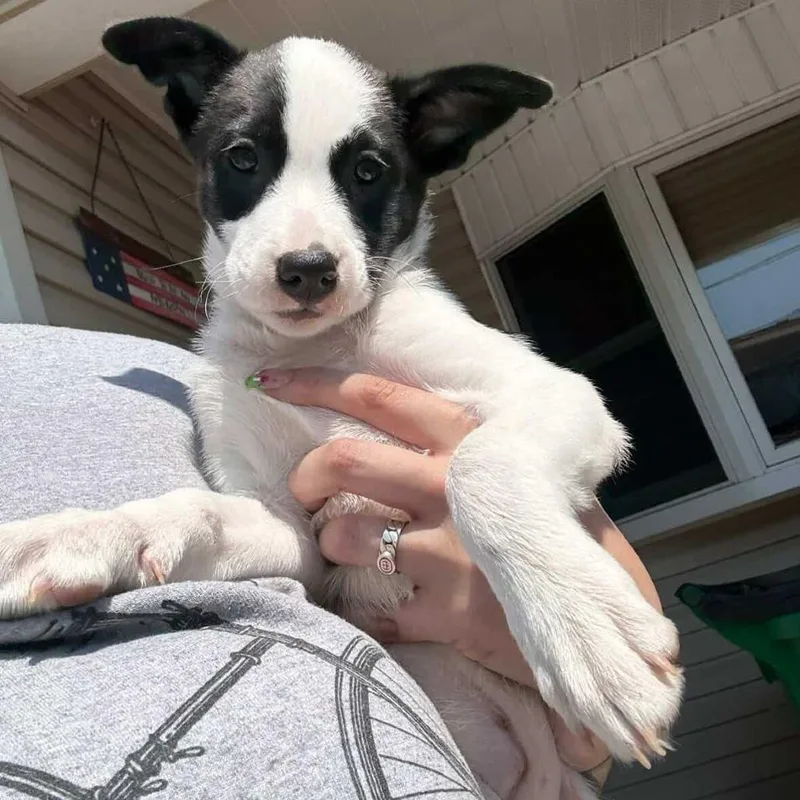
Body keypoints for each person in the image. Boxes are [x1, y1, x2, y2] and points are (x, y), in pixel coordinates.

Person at [0, 324, 663, 798]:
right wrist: (153, 527)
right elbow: (286, 543)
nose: (305, 253)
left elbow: (564, 413)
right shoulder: (217, 373)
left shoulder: (410, 326)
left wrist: (558, 575)